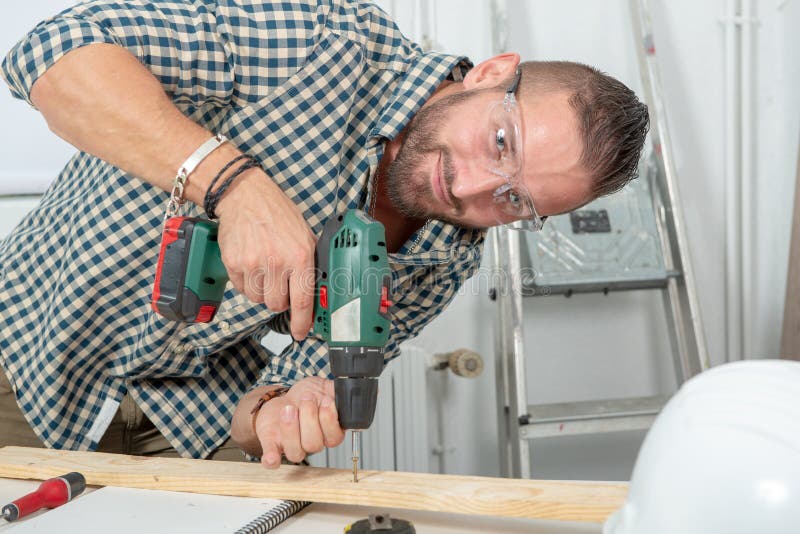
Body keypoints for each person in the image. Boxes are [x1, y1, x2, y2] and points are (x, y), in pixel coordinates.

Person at [0, 0, 649, 468]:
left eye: (515, 199)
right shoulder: (322, 40)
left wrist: (285, 408)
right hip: (27, 352)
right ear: (490, 72)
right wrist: (233, 185)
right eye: (501, 141)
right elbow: (51, 53)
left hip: (179, 416)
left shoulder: (448, 255)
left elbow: (264, 409)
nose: (471, 186)